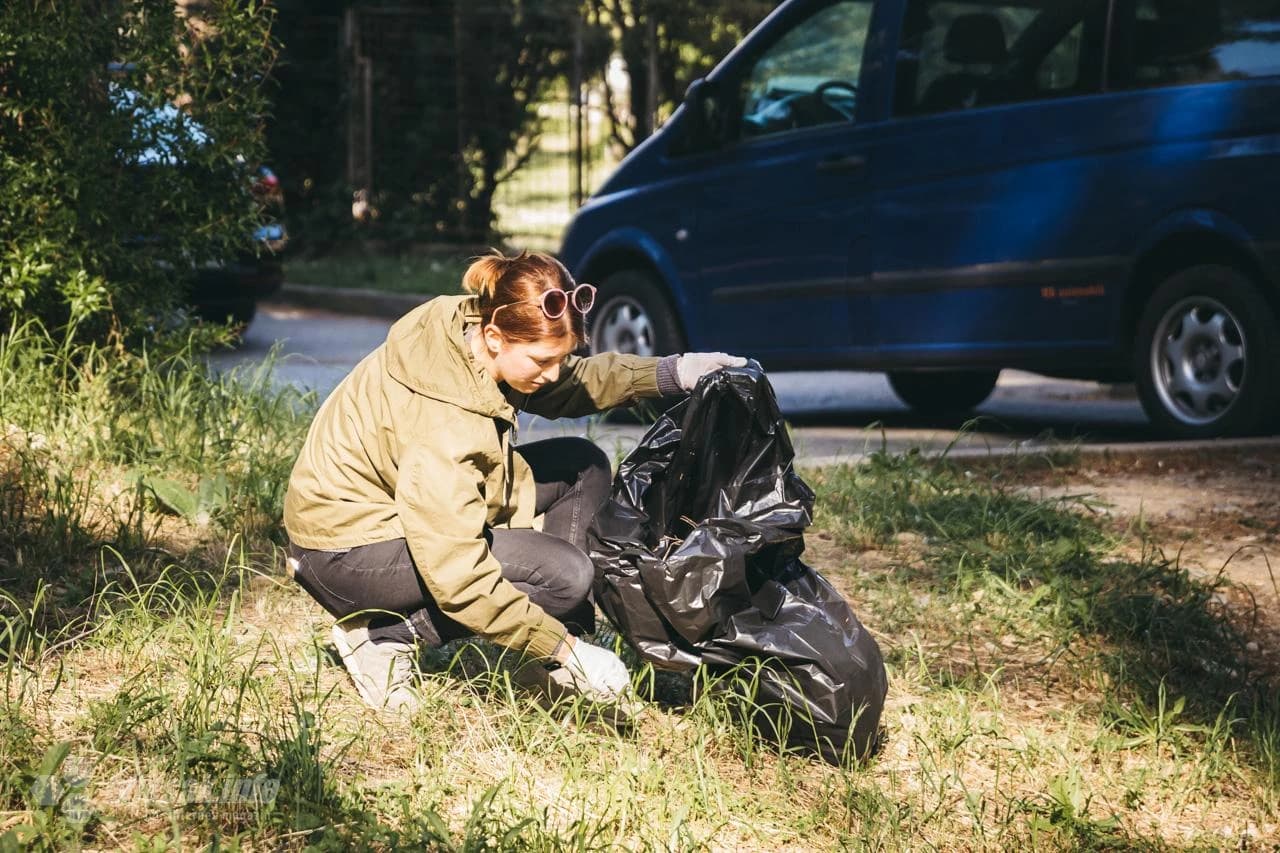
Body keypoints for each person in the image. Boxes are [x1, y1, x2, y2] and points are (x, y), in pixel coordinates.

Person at [283, 250, 745, 713]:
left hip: (399, 511)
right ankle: (381, 637)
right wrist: (565, 649)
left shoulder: (471, 329)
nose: (550, 375)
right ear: (495, 337)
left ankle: (553, 659)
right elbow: (459, 578)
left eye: (559, 358)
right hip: (342, 552)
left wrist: (672, 372)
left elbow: (573, 381)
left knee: (582, 465)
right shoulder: (446, 426)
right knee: (565, 576)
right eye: (542, 361)